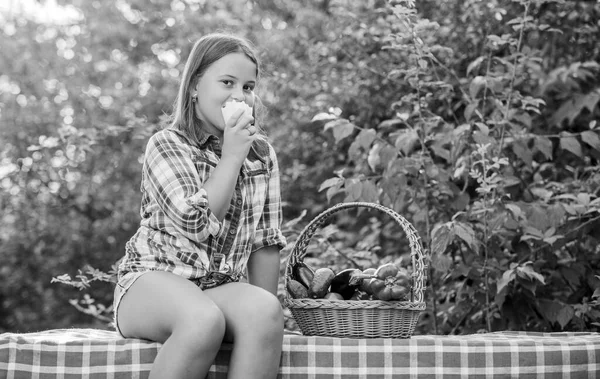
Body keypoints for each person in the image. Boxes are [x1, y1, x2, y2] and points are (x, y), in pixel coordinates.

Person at [112, 32, 287, 379]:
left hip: (218, 287)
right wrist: (232, 156)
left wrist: (261, 322)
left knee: (266, 312)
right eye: (227, 82)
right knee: (203, 320)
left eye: (248, 88)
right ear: (194, 86)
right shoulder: (167, 145)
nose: (239, 95)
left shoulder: (261, 155)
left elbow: (265, 243)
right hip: (152, 282)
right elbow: (195, 222)